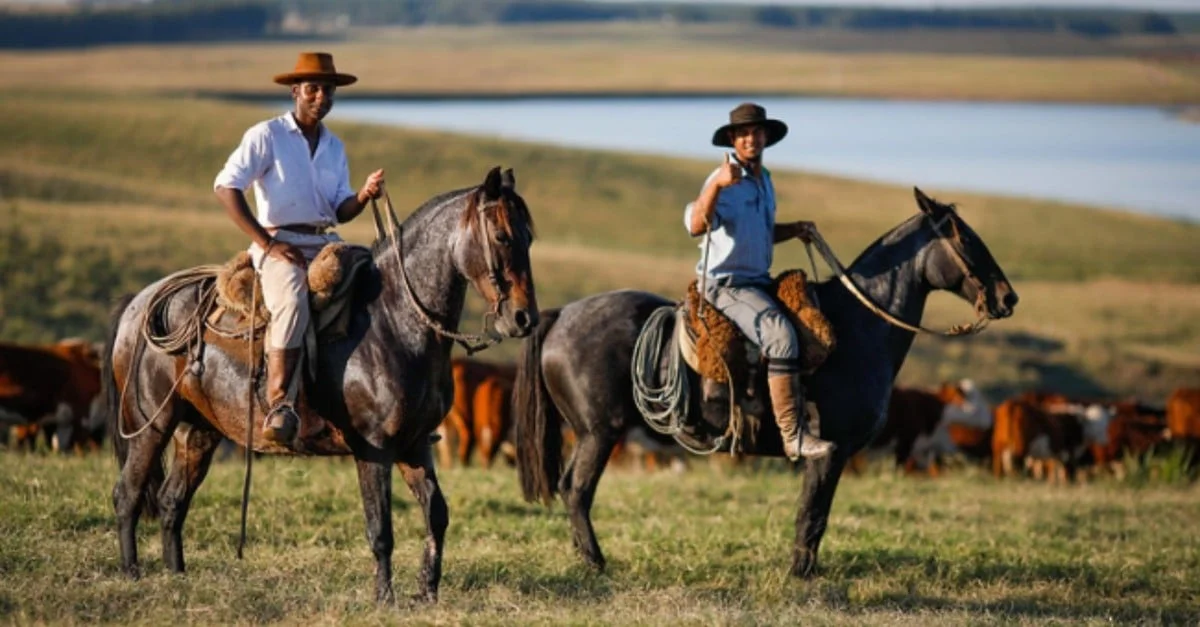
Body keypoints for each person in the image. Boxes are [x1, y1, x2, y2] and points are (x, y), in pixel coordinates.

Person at [214, 52, 385, 445]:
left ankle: (378, 400)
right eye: (313, 89)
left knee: (376, 284)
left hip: (325, 242)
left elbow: (340, 211)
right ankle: (280, 405)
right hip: (279, 243)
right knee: (292, 299)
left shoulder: (334, 146)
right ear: (296, 91)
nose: (321, 97)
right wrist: (268, 243)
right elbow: (226, 187)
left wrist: (364, 194)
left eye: (328, 90)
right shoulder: (267, 135)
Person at [683, 102, 833, 461]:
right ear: (733, 140)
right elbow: (695, 225)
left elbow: (759, 233)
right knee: (780, 335)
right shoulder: (722, 180)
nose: (751, 138)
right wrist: (718, 185)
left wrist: (793, 230)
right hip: (726, 285)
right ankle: (792, 435)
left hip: (757, 281)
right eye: (744, 133)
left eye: (757, 132)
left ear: (766, 136)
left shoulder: (764, 180)